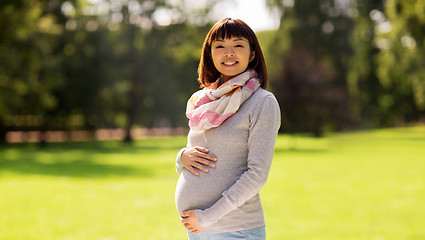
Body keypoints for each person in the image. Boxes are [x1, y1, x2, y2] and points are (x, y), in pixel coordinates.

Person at [175, 18, 281, 240]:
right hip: (197, 229)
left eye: (238, 45)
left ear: (252, 54)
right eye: (220, 46)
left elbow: (257, 174)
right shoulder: (201, 102)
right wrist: (181, 157)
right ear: (210, 53)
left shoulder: (262, 102)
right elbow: (195, 151)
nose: (228, 53)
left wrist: (206, 218)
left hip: (236, 230)